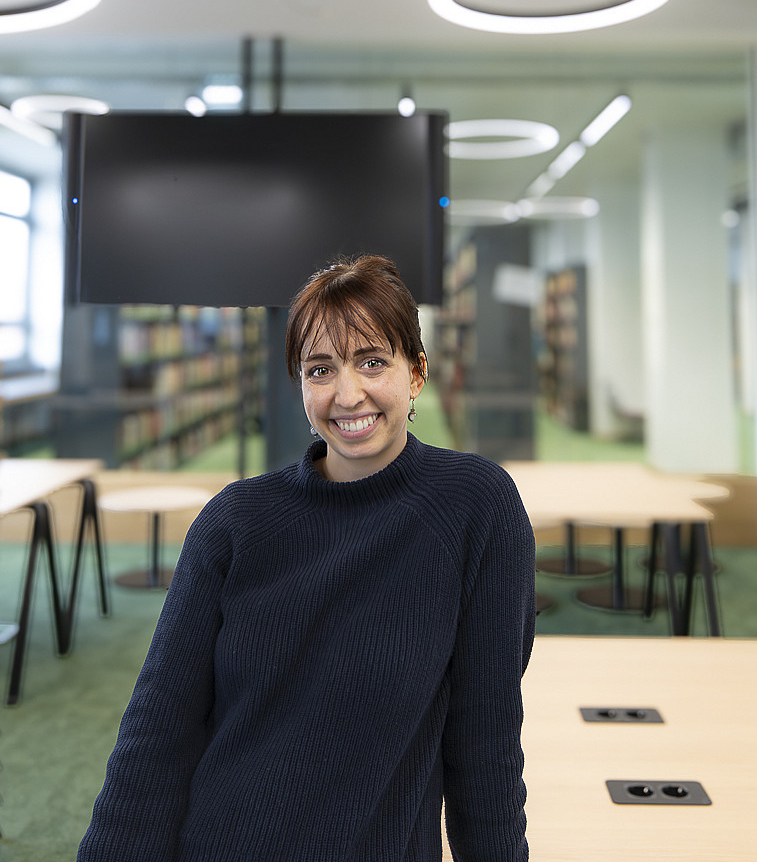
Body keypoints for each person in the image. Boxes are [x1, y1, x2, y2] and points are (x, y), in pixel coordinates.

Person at [77, 254, 537, 862]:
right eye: (321, 369)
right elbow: (157, 735)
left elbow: (486, 745)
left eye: (373, 362)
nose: (348, 395)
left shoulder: (477, 509)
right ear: (299, 383)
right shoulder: (235, 522)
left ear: (417, 372)